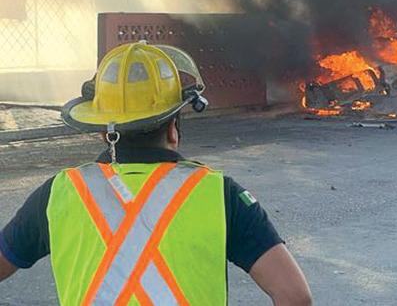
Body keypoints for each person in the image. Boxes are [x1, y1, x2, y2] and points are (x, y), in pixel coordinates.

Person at [0, 41, 312, 306]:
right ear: (173, 128)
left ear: (104, 130)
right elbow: (295, 296)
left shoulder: (58, 194)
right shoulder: (220, 194)